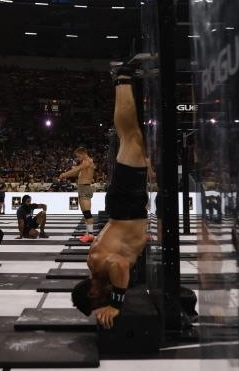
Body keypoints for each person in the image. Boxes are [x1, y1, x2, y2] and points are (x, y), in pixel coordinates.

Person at [71, 62, 149, 329]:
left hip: (126, 207)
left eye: (96, 298)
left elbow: (121, 266)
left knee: (131, 138)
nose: (101, 297)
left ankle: (123, 77)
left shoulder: (98, 264)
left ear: (92, 290)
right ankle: (128, 81)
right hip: (129, 207)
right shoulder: (97, 269)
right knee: (134, 138)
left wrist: (115, 304)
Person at [60, 147, 96, 242]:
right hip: (82, 188)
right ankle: (88, 233)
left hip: (85, 188)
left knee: (87, 213)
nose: (78, 158)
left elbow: (76, 170)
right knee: (86, 214)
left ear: (84, 153)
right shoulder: (85, 162)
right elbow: (77, 172)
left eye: (78, 156)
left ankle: (91, 235)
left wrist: (64, 174)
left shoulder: (87, 161)